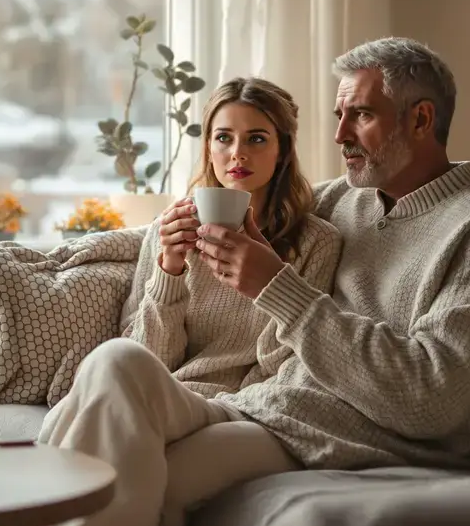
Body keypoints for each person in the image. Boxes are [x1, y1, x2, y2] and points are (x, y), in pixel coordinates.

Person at [11, 37, 470, 526]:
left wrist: (275, 285)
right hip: (265, 408)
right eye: (338, 115)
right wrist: (173, 249)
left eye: (359, 115)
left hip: (360, 438)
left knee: (132, 471)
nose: (338, 135)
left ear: (422, 120)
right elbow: (266, 206)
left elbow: (433, 402)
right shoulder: (345, 199)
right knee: (116, 362)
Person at [119, 76, 342, 400]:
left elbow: (280, 366)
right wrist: (169, 271)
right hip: (158, 396)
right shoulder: (169, 231)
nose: (238, 153)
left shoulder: (316, 243)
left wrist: (271, 279)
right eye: (224, 137)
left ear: (282, 150)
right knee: (107, 363)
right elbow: (142, 360)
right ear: (209, 148)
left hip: (232, 408)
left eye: (257, 139)